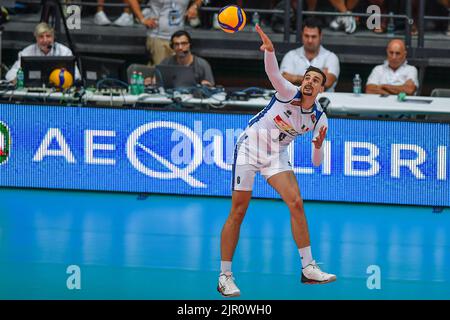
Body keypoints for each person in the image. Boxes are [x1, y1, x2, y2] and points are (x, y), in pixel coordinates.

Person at [217, 24, 336, 298]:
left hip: (275, 156)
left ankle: (308, 268)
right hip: (250, 149)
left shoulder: (319, 119)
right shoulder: (287, 92)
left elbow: (317, 163)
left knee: (296, 201)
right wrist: (269, 52)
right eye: (307, 77)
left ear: (321, 88)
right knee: (238, 211)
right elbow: (273, 73)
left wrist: (318, 147)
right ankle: (225, 275)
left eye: (315, 80)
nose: (308, 82)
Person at [128, 0, 203, 66]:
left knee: (178, 71)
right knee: (160, 71)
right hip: (158, 37)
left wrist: (195, 6)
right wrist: (142, 19)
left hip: (178, 39)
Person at [5, 22, 80, 83]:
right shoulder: (27, 52)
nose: (45, 40)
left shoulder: (64, 51)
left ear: (53, 37)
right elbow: (10, 74)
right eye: (41, 36)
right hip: (33, 90)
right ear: (36, 38)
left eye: (48, 36)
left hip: (59, 89)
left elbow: (76, 75)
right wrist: (15, 80)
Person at [280, 17, 340, 92]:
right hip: (295, 101)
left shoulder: (331, 57)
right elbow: (282, 80)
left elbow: (328, 82)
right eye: (306, 36)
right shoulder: (290, 55)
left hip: (323, 101)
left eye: (313, 36)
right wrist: (318, 79)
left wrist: (294, 78)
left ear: (320, 36)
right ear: (302, 35)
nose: (310, 40)